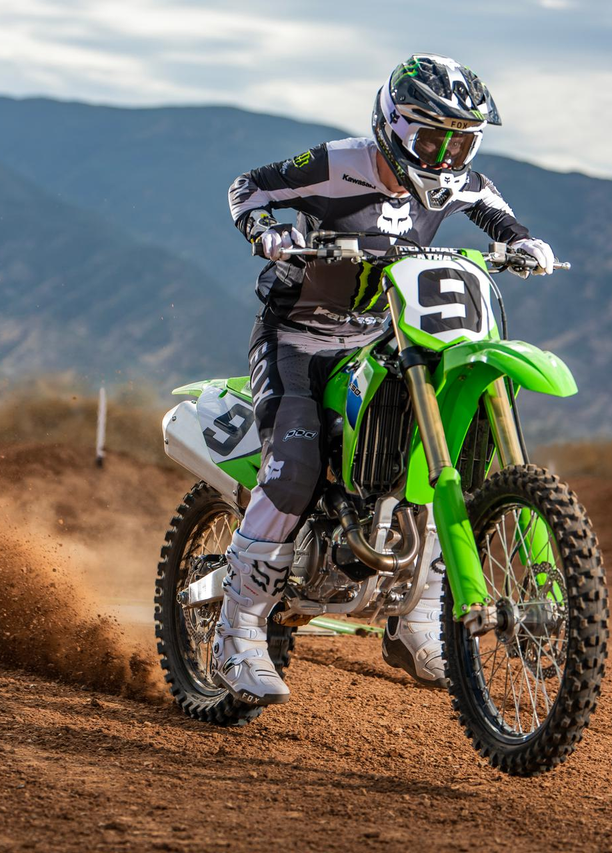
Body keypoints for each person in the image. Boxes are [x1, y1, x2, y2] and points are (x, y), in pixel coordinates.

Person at [213, 53, 557, 706]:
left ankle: (417, 620)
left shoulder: (456, 177)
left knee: (437, 455)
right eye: (433, 140)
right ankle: (239, 630)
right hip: (299, 339)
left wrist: (522, 241)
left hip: (382, 337)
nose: (446, 157)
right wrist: (268, 233)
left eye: (461, 143)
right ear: (394, 127)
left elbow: (491, 205)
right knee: (295, 464)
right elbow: (247, 188)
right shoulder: (337, 164)